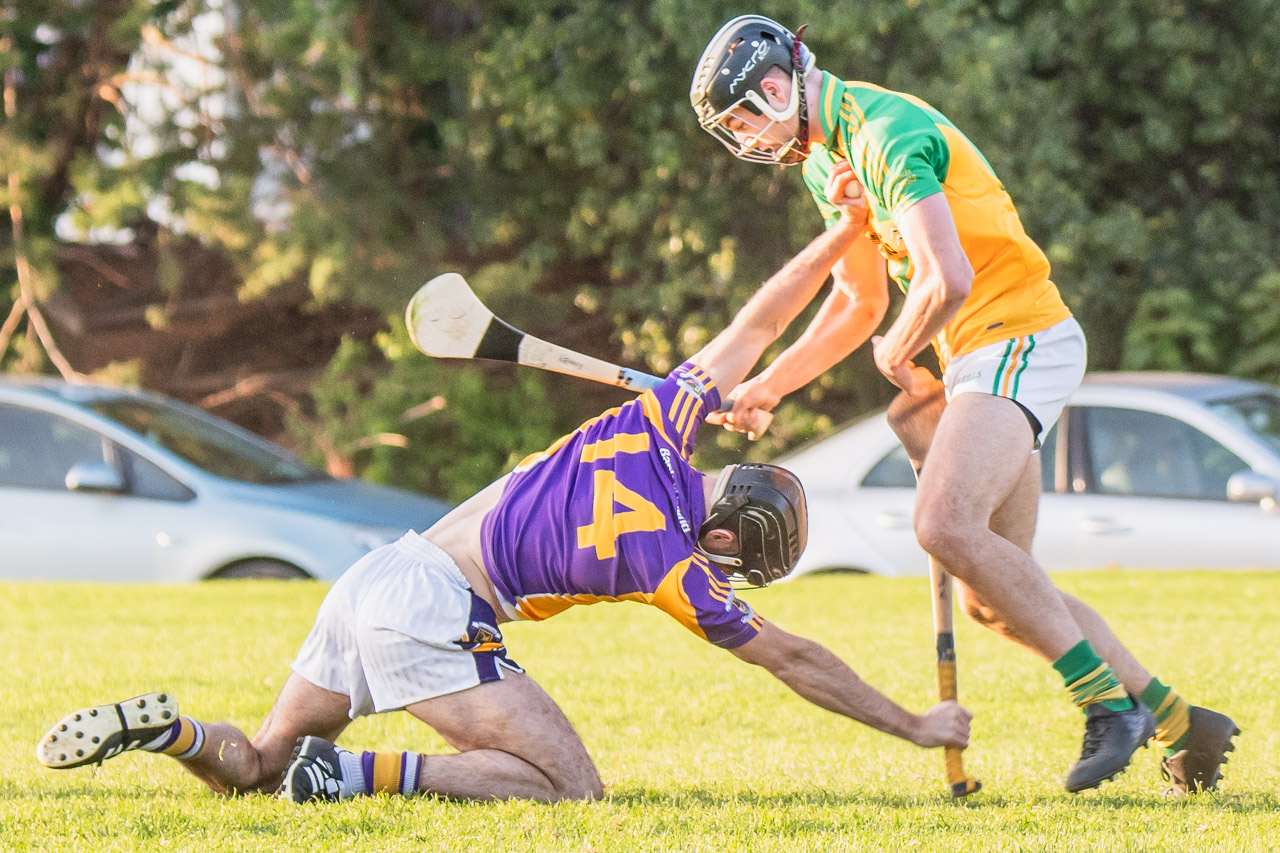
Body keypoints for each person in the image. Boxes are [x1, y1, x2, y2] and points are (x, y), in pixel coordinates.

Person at [36, 217, 970, 804]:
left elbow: (758, 326)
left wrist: (845, 229)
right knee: (569, 784)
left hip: (379, 576)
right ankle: (353, 774)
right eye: (734, 558)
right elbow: (796, 660)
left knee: (258, 763)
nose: (723, 570)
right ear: (724, 534)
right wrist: (916, 725)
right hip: (435, 607)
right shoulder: (674, 567)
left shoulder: (656, 422)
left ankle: (173, 734)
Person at [689, 15, 1238, 794]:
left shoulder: (884, 133)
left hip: (1018, 336)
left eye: (743, 120)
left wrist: (897, 351)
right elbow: (856, 300)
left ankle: (1108, 706)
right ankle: (1184, 721)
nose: (744, 139)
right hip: (981, 353)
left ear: (775, 89)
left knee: (941, 523)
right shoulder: (828, 162)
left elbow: (947, 279)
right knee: (995, 596)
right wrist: (774, 384)